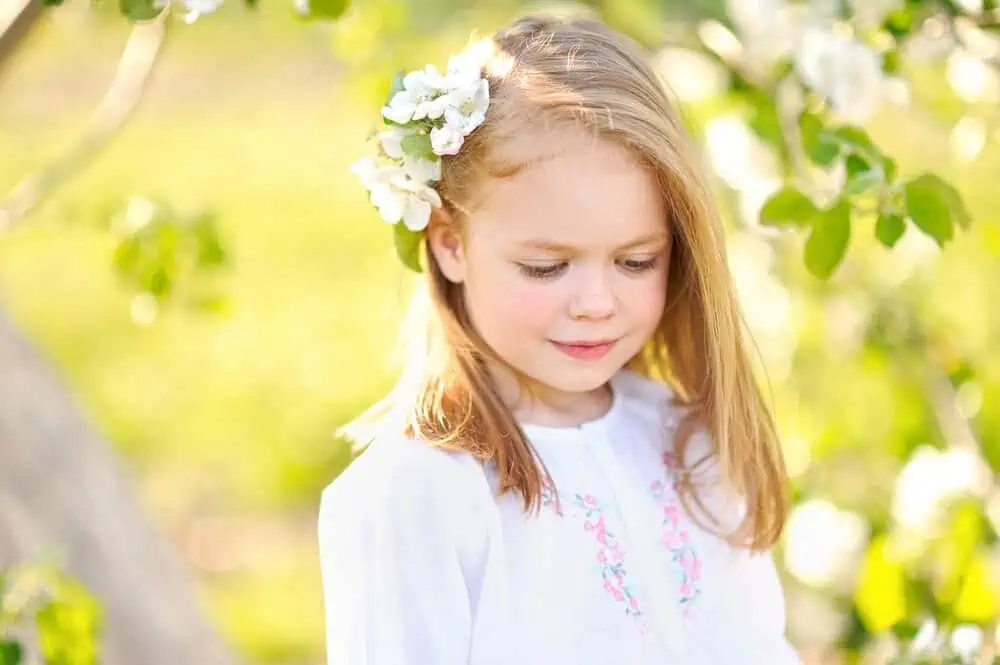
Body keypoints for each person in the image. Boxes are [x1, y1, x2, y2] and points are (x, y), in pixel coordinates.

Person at [319, 12, 800, 665]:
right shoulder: (416, 495)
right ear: (451, 243)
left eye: (636, 261)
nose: (597, 304)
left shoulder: (691, 442)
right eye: (547, 266)